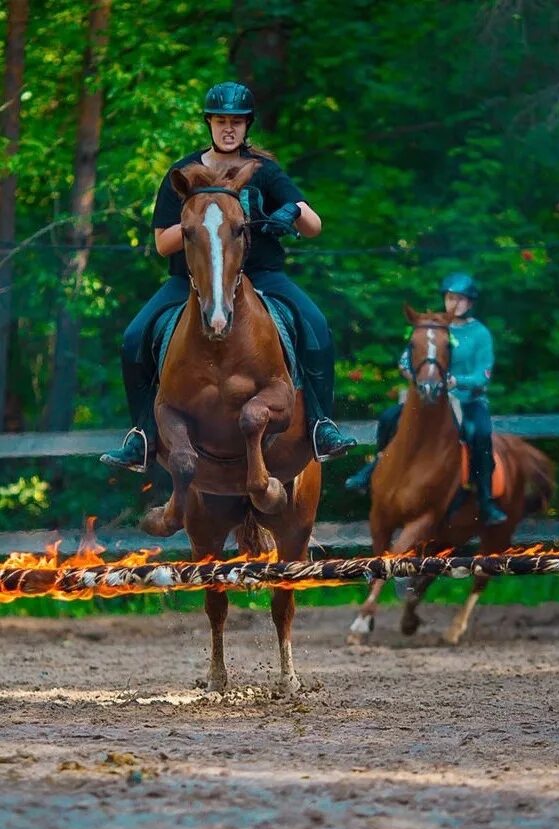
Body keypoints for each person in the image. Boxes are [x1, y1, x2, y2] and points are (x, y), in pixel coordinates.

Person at [101, 81, 356, 472]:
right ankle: (143, 435)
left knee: (317, 325)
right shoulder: (183, 173)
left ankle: (321, 423)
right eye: (221, 121)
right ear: (209, 123)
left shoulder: (264, 171)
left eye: (236, 122)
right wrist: (201, 226)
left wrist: (291, 213)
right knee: (135, 337)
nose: (228, 129)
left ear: (247, 126)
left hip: (263, 276)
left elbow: (314, 225)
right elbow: (161, 242)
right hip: (194, 280)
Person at [345, 272, 507, 526]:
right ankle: (373, 470)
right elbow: (405, 360)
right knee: (389, 418)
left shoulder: (479, 333)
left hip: (466, 399)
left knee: (480, 433)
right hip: (427, 399)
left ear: (471, 303)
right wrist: (414, 375)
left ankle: (485, 500)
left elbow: (483, 373)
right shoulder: (431, 326)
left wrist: (457, 381)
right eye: (451, 297)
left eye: (461, 299)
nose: (454, 303)